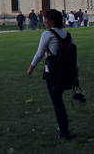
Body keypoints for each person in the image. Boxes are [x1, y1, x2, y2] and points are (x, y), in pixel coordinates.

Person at [27, 9, 77, 140]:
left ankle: (64, 130)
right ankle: (64, 127)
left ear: (52, 21)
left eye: (46, 19)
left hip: (53, 72)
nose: (44, 21)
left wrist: (31, 67)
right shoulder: (67, 34)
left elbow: (40, 53)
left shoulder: (47, 34)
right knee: (59, 100)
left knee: (57, 101)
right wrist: (76, 73)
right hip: (66, 71)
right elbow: (74, 56)